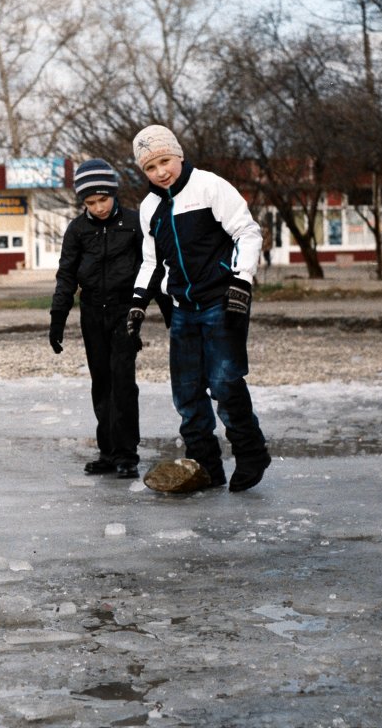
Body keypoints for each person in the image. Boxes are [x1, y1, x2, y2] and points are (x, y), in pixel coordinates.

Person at [126, 125, 272, 493]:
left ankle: (251, 452)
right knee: (187, 392)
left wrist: (242, 280)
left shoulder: (209, 186)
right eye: (150, 167)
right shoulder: (149, 208)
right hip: (182, 308)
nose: (160, 171)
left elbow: (246, 232)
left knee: (224, 381)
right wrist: (138, 304)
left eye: (164, 161)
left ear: (178, 155)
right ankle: (206, 465)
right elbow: (150, 261)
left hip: (223, 299)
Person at [49, 158, 150, 479]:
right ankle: (108, 452)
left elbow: (152, 268)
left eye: (103, 199)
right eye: (90, 202)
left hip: (125, 312)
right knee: (101, 382)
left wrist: (160, 308)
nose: (99, 207)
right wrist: (57, 318)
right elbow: (66, 276)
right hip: (92, 312)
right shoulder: (77, 230)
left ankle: (126, 454)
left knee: (123, 381)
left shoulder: (135, 224)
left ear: (114, 194)